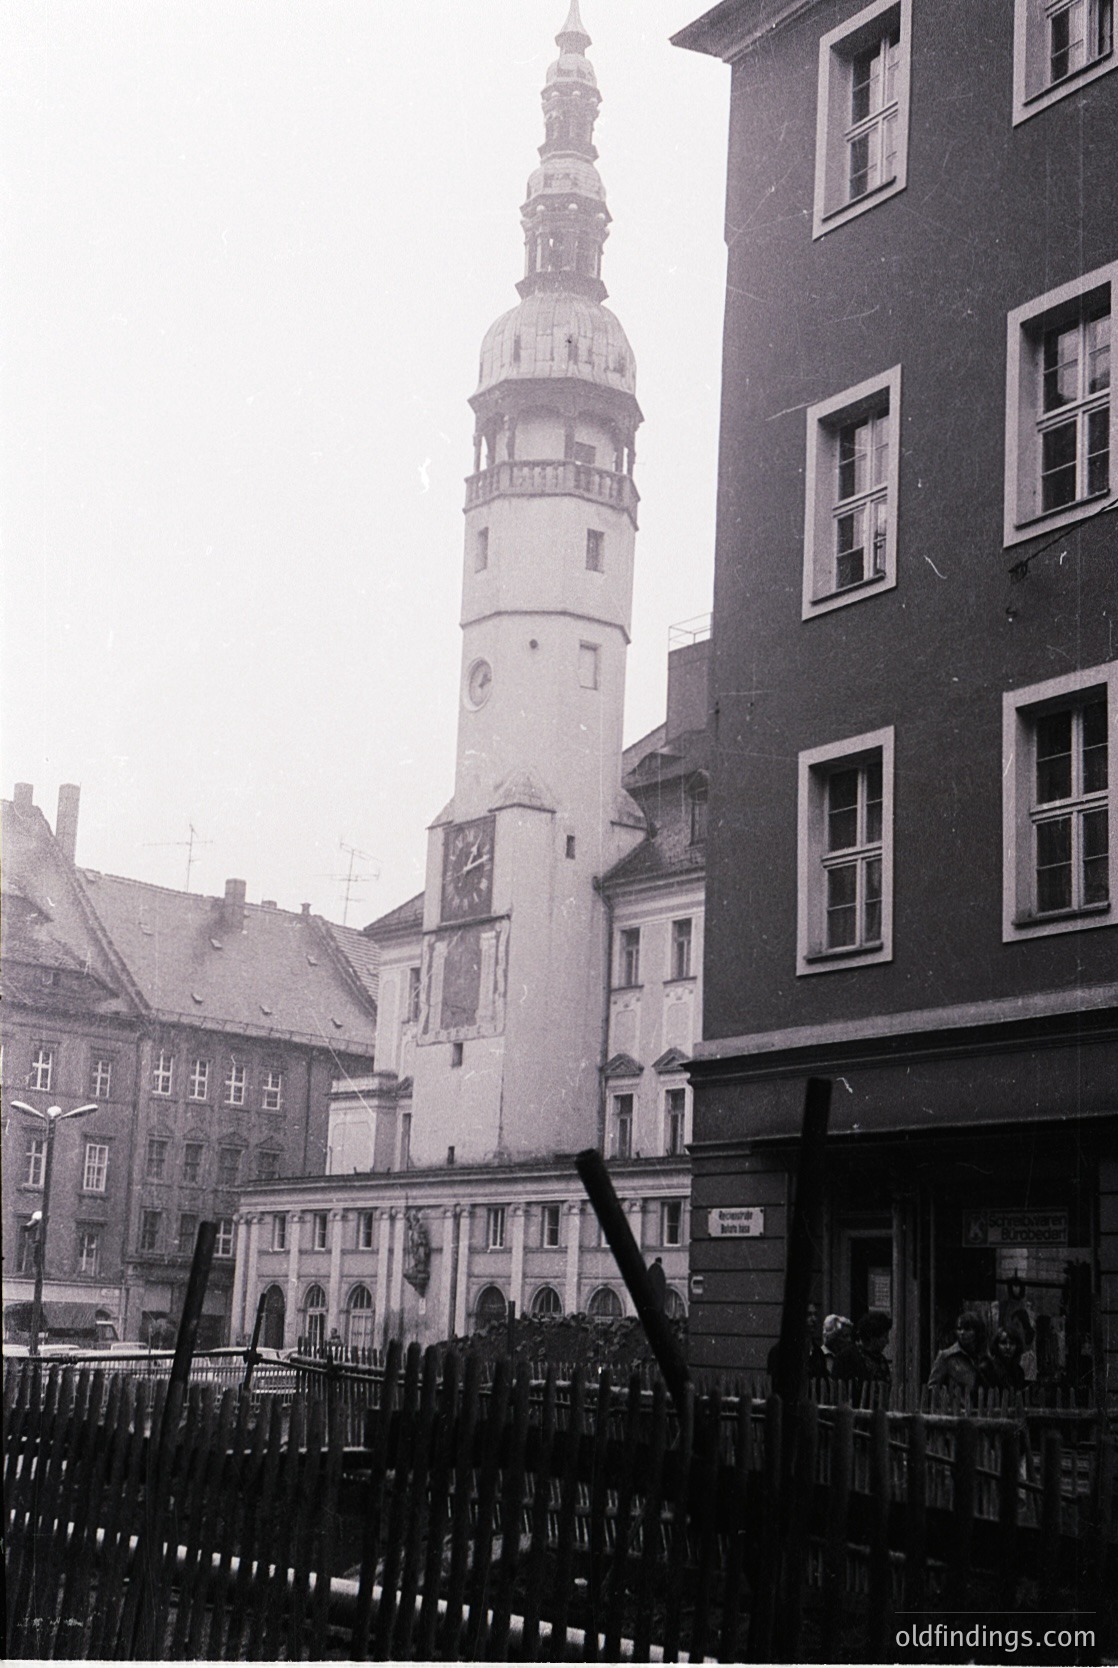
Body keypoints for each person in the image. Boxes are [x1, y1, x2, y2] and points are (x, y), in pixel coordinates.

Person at [928, 1310, 989, 1396]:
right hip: (956, 1408)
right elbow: (933, 1386)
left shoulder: (982, 1356)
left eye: (967, 1329)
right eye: (959, 1329)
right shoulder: (946, 1356)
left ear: (977, 1332)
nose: (962, 1333)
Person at [834, 1310, 892, 1389]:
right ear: (872, 1337)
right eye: (884, 1337)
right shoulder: (846, 1358)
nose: (887, 1341)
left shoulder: (881, 1360)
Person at [986, 1327, 1026, 1391]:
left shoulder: (1019, 1372)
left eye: (1012, 1343)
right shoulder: (988, 1369)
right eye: (1003, 1343)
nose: (1008, 1347)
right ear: (996, 1345)